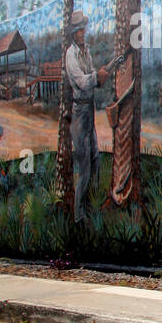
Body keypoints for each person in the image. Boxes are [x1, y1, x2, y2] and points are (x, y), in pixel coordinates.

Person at [64, 11, 120, 221]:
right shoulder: (71, 55)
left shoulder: (85, 51)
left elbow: (94, 75)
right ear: (74, 33)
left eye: (84, 29)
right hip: (79, 113)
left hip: (89, 109)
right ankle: (79, 216)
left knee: (96, 159)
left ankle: (89, 207)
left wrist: (106, 70)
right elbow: (82, 81)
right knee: (85, 169)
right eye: (80, 30)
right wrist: (98, 76)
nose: (83, 33)